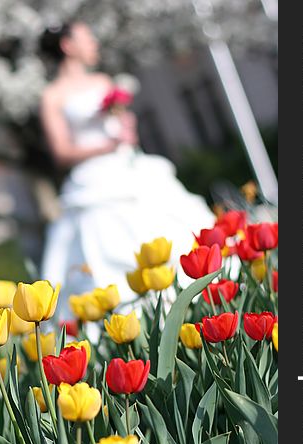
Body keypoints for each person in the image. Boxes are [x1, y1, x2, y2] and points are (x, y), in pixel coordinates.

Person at [39, 21, 215, 318]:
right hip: (92, 181)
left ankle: (193, 298)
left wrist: (126, 131)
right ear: (67, 46)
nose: (94, 43)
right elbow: (62, 152)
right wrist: (106, 145)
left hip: (128, 168)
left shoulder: (103, 81)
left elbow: (122, 127)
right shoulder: (52, 96)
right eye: (87, 38)